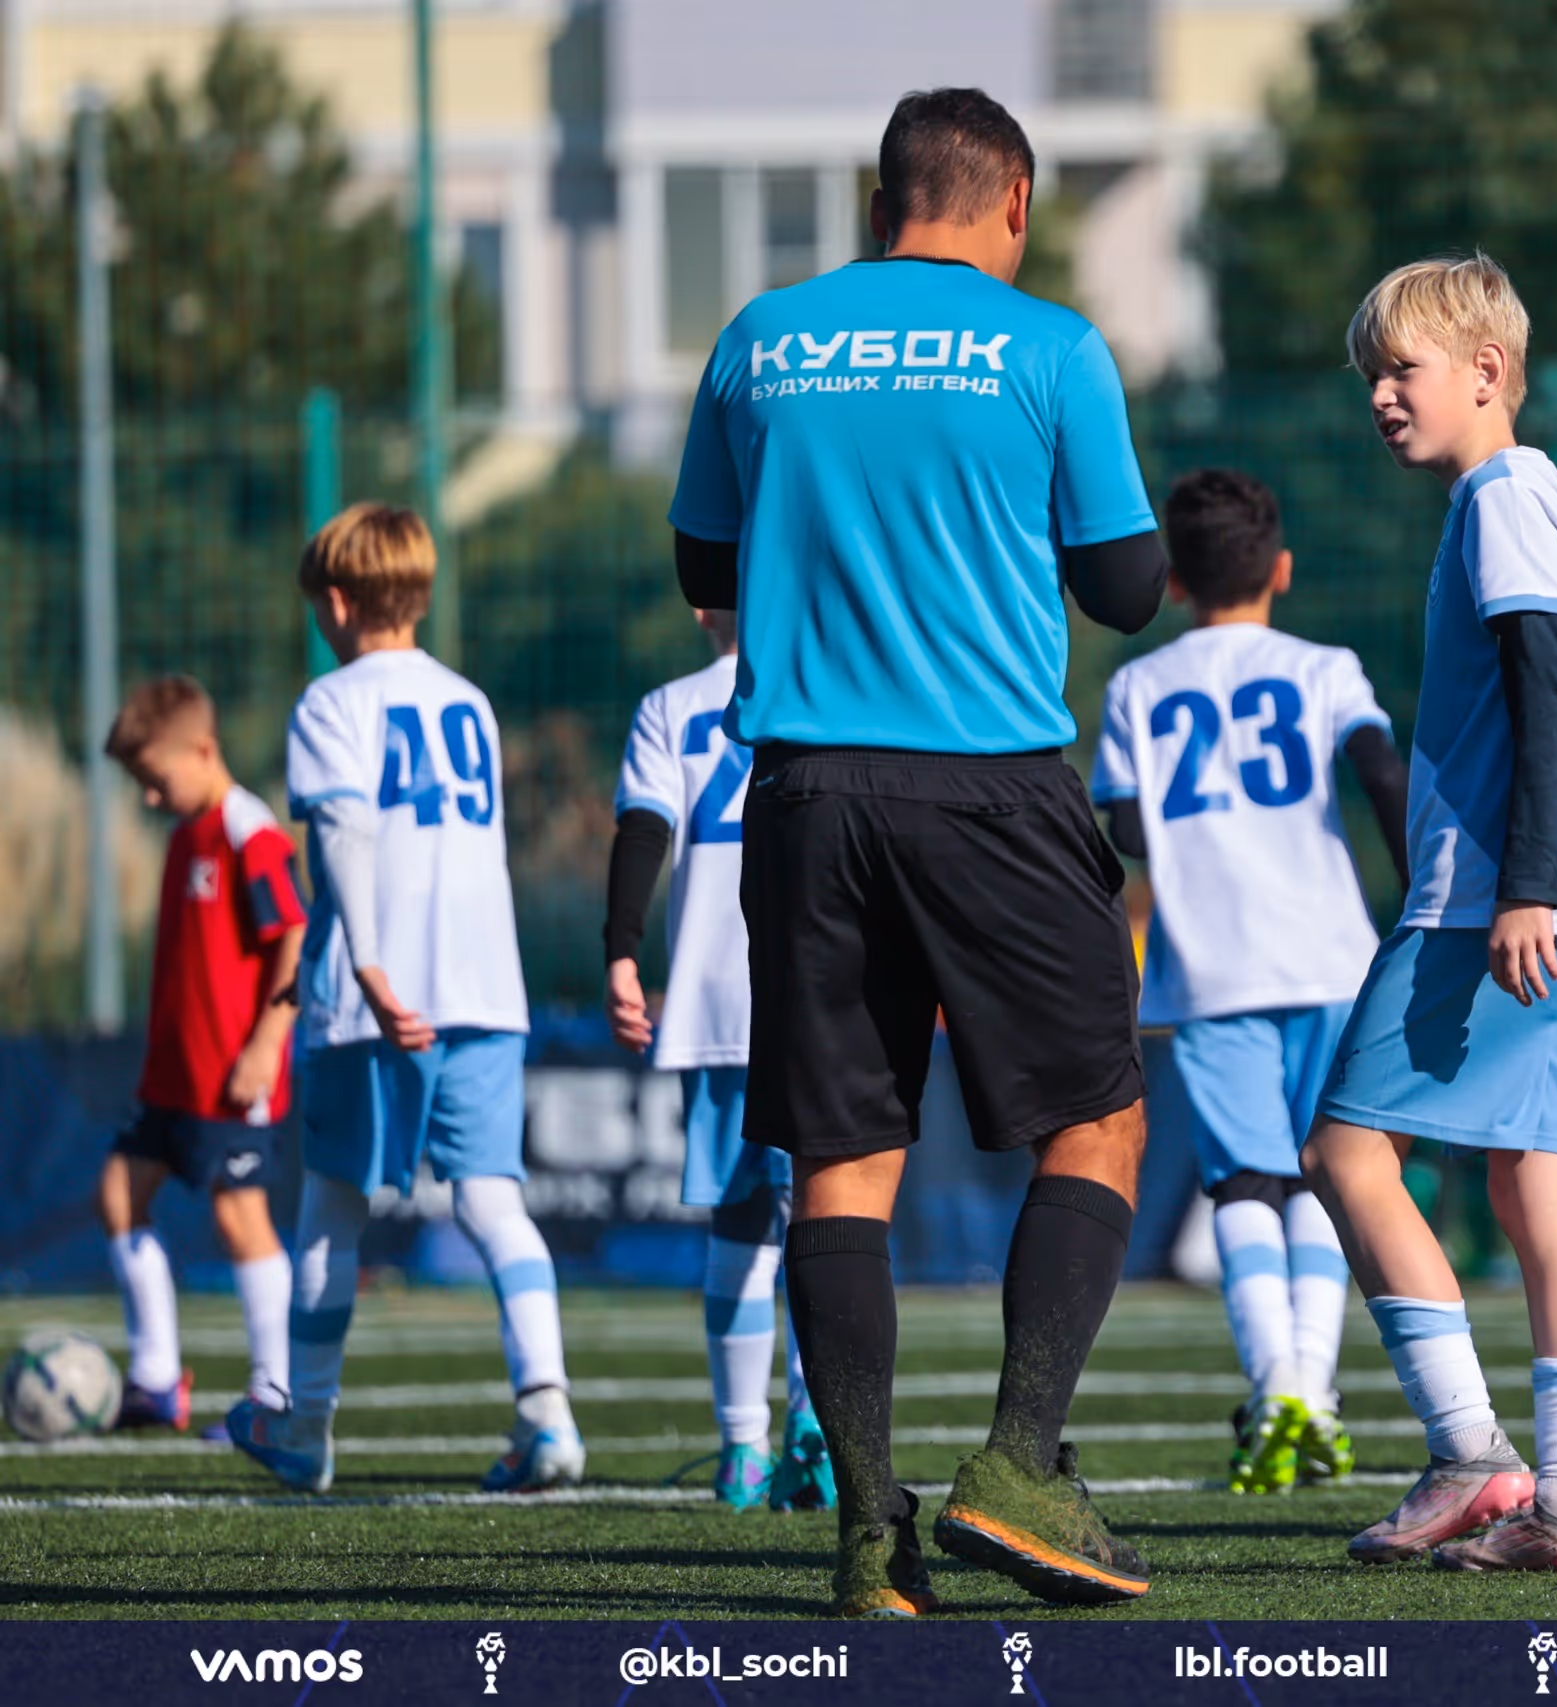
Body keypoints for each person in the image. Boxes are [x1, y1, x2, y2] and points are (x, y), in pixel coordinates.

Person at [667, 88, 1166, 1614]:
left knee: (844, 1158)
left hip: (806, 791)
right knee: (1099, 1115)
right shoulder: (1052, 347)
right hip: (991, 786)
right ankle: (1017, 1461)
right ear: (1013, 201)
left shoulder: (760, 337)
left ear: (880, 203)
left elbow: (702, 561)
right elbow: (1130, 587)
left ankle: (867, 1534)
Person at [1300, 252, 1557, 1575]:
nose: (1381, 396)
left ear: (1486, 372)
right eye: (1372, 375)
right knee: (1538, 1187)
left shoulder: (1502, 496)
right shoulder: (1540, 496)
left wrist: (1524, 885)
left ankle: (1469, 1452)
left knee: (1346, 1149)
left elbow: (1545, 694)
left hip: (1503, 897)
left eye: (1402, 370)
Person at [229, 503, 582, 1495]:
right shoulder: (471, 701)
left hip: (373, 999)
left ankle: (305, 1429)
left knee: (330, 1210)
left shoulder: (330, 701)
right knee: (493, 1200)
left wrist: (369, 965)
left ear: (339, 602)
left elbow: (346, 833)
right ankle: (548, 1414)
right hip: (483, 986)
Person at [1090, 467, 1407, 1496]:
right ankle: (1312, 1387)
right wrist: (1422, 893)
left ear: (1176, 583)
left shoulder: (1137, 686)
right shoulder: (1325, 668)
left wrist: (1197, 840)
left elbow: (1125, 825)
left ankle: (1277, 1390)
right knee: (1328, 1172)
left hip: (1210, 966)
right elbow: (1380, 771)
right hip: (1330, 958)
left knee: (1242, 1183)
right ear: (1282, 569)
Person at [606, 608, 833, 1512]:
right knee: (831, 1215)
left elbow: (642, 830)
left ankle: (743, 1447)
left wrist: (621, 952)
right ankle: (820, 1428)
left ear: (700, 607)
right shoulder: (835, 678)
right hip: (824, 992)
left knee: (741, 1221)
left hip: (716, 999)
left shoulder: (670, 706)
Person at [95, 676, 303, 1434]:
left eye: (157, 779)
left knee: (239, 1215)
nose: (151, 797)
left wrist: (267, 1042)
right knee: (119, 1195)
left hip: (232, 1074)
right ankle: (156, 1379)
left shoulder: (250, 831)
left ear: (204, 750)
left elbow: (294, 933)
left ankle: (277, 1393)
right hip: (174, 1076)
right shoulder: (185, 834)